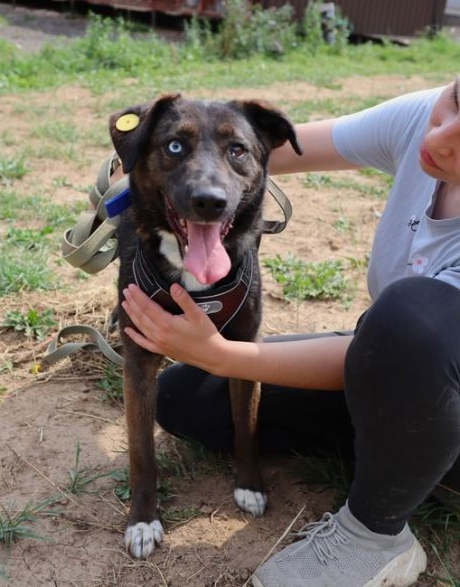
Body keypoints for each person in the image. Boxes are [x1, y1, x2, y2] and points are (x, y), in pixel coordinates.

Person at [119, 79, 460, 587]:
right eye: (457, 100)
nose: (439, 137)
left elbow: (405, 343)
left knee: (408, 318)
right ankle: (395, 451)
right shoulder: (425, 117)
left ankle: (375, 535)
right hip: (401, 370)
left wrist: (220, 353)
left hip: (434, 372)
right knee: (185, 398)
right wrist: (143, 159)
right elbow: (264, 144)